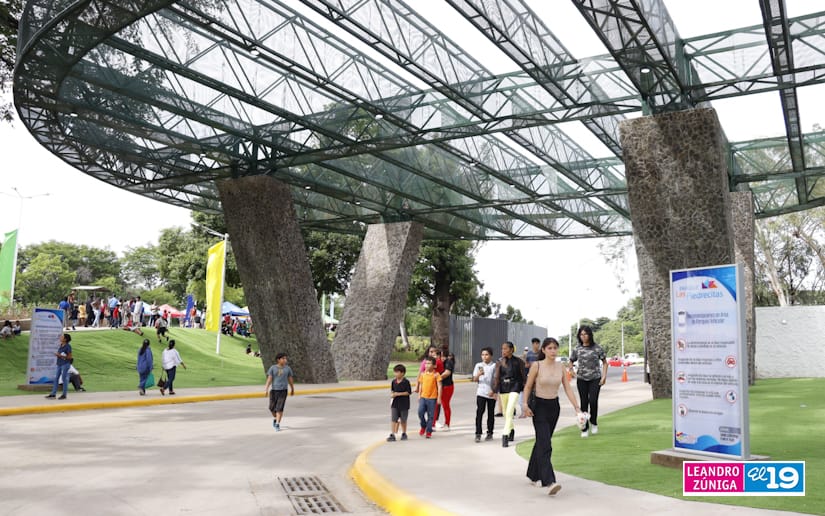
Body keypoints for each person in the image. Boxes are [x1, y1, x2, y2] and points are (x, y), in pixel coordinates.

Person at [522, 337, 582, 496]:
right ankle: (549, 481)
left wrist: (577, 408)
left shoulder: (560, 367)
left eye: (555, 348)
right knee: (545, 444)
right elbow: (528, 386)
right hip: (539, 407)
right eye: (549, 348)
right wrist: (525, 405)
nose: (553, 351)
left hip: (554, 407)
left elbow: (568, 388)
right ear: (543, 350)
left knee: (542, 441)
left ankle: (533, 474)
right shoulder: (537, 365)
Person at [568, 325, 608, 437]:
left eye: (585, 334)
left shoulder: (597, 348)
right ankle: (584, 428)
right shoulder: (577, 349)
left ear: (590, 335)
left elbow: (605, 363)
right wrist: (571, 370)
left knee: (593, 401)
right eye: (581, 334)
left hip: (595, 378)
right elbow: (570, 361)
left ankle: (593, 422)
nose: (583, 336)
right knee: (584, 402)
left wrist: (604, 376)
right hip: (582, 379)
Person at [492, 340, 525, 447]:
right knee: (506, 413)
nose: (503, 351)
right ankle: (511, 429)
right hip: (503, 388)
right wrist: (494, 390)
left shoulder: (519, 361)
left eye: (505, 348)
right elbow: (497, 377)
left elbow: (523, 376)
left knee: (510, 409)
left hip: (515, 386)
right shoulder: (499, 362)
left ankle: (505, 434)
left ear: (511, 350)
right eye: (502, 349)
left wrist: (527, 388)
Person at [264, 353, 295, 431]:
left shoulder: (288, 369)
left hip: (283, 391)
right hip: (274, 391)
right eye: (283, 358)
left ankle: (277, 424)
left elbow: (290, 379)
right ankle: (275, 418)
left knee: (279, 408)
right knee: (271, 408)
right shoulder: (273, 368)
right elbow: (269, 379)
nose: (285, 360)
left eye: (285, 358)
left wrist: (292, 389)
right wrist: (266, 389)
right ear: (278, 360)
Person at [472, 346, 497, 442]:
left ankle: (490, 432)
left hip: (491, 393)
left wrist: (494, 391)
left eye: (486, 355)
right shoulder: (478, 365)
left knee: (491, 413)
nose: (484, 357)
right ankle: (478, 433)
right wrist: (479, 374)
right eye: (482, 355)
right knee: (479, 412)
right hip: (481, 392)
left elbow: (497, 380)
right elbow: (474, 379)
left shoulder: (494, 366)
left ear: (491, 355)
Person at [415, 356, 442, 438]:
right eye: (426, 363)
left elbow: (439, 386)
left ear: (434, 365)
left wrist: (439, 398)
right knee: (420, 412)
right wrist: (419, 395)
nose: (427, 365)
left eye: (429, 363)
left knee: (431, 416)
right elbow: (421, 385)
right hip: (423, 397)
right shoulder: (423, 374)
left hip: (432, 398)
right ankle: (423, 425)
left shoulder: (436, 375)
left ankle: (428, 431)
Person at [387, 364, 411, 442]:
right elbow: (392, 390)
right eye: (395, 372)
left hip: (404, 403)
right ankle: (392, 434)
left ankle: (404, 433)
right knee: (393, 419)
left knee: (403, 420)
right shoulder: (393, 382)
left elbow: (408, 392)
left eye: (397, 372)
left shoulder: (406, 382)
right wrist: (392, 394)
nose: (395, 374)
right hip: (395, 403)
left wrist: (398, 394)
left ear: (402, 373)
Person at [45, 333, 72, 400]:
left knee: (64, 379)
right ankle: (53, 394)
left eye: (62, 337)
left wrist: (60, 355)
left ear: (65, 339)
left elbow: (70, 357)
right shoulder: (61, 345)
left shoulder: (68, 346)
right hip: (59, 364)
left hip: (65, 364)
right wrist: (58, 355)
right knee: (56, 378)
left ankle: (64, 395)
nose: (60, 337)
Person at [435, 351, 455, 431]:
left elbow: (447, 373)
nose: (442, 358)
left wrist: (437, 378)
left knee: (445, 404)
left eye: (443, 356)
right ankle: (433, 422)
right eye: (440, 356)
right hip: (439, 386)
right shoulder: (437, 362)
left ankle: (447, 423)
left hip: (447, 386)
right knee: (436, 405)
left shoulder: (448, 362)